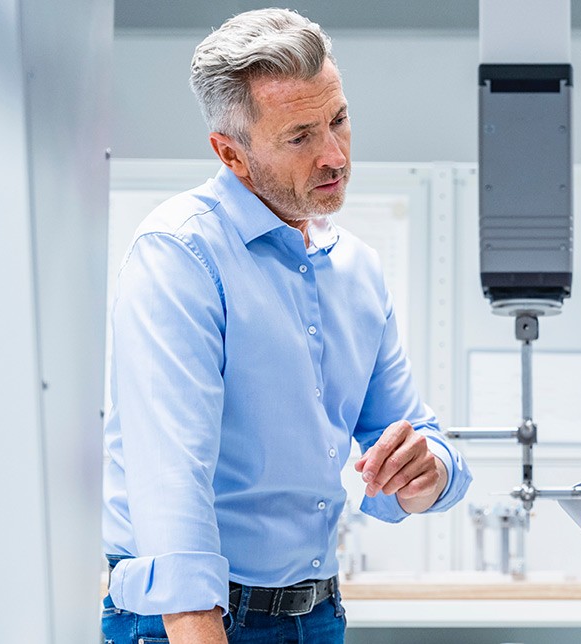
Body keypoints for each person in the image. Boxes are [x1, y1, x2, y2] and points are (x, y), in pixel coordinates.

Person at [100, 8, 472, 643]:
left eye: (339, 120)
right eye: (300, 136)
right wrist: (195, 625)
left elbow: (412, 433)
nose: (334, 154)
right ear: (231, 154)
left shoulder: (356, 269)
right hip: (190, 616)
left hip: (317, 614)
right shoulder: (180, 253)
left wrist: (426, 471)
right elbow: (170, 478)